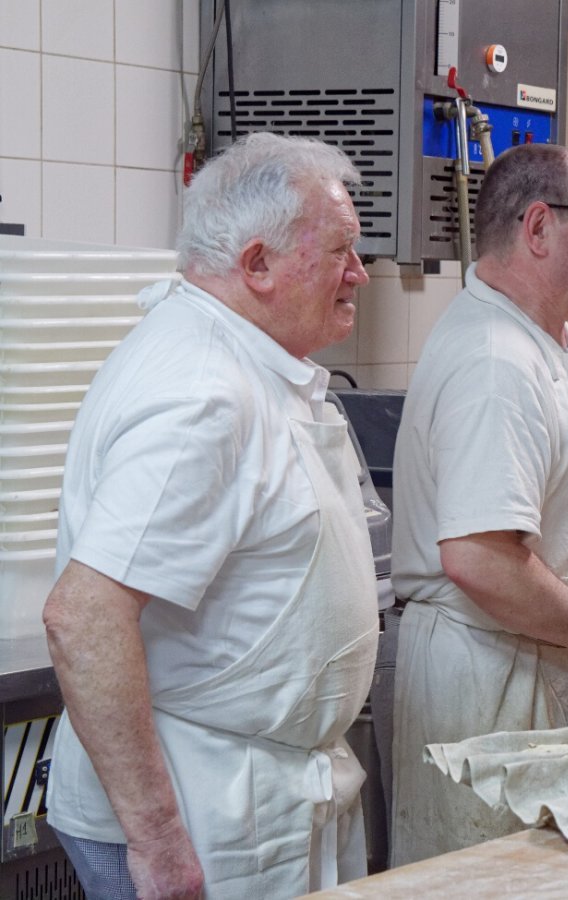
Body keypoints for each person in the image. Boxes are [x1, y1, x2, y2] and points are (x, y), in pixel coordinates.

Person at [42, 132, 379, 899]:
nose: (359, 273)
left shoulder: (241, 359)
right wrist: (158, 840)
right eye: (341, 251)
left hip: (251, 792)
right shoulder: (203, 389)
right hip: (202, 810)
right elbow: (84, 616)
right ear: (256, 264)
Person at [388, 143, 568, 865]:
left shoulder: (539, 340)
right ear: (539, 228)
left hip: (524, 668)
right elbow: (483, 561)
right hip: (494, 681)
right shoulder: (494, 361)